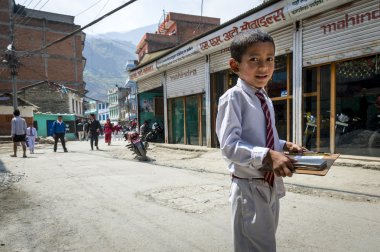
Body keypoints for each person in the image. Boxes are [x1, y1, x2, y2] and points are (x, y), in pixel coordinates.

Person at [215, 30, 304, 252]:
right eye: (254, 60)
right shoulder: (233, 98)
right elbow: (229, 147)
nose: (264, 67)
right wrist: (268, 155)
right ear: (235, 66)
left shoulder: (263, 97)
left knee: (264, 243)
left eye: (270, 59)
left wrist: (284, 146)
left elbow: (263, 136)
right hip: (249, 188)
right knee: (259, 248)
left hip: (269, 184)